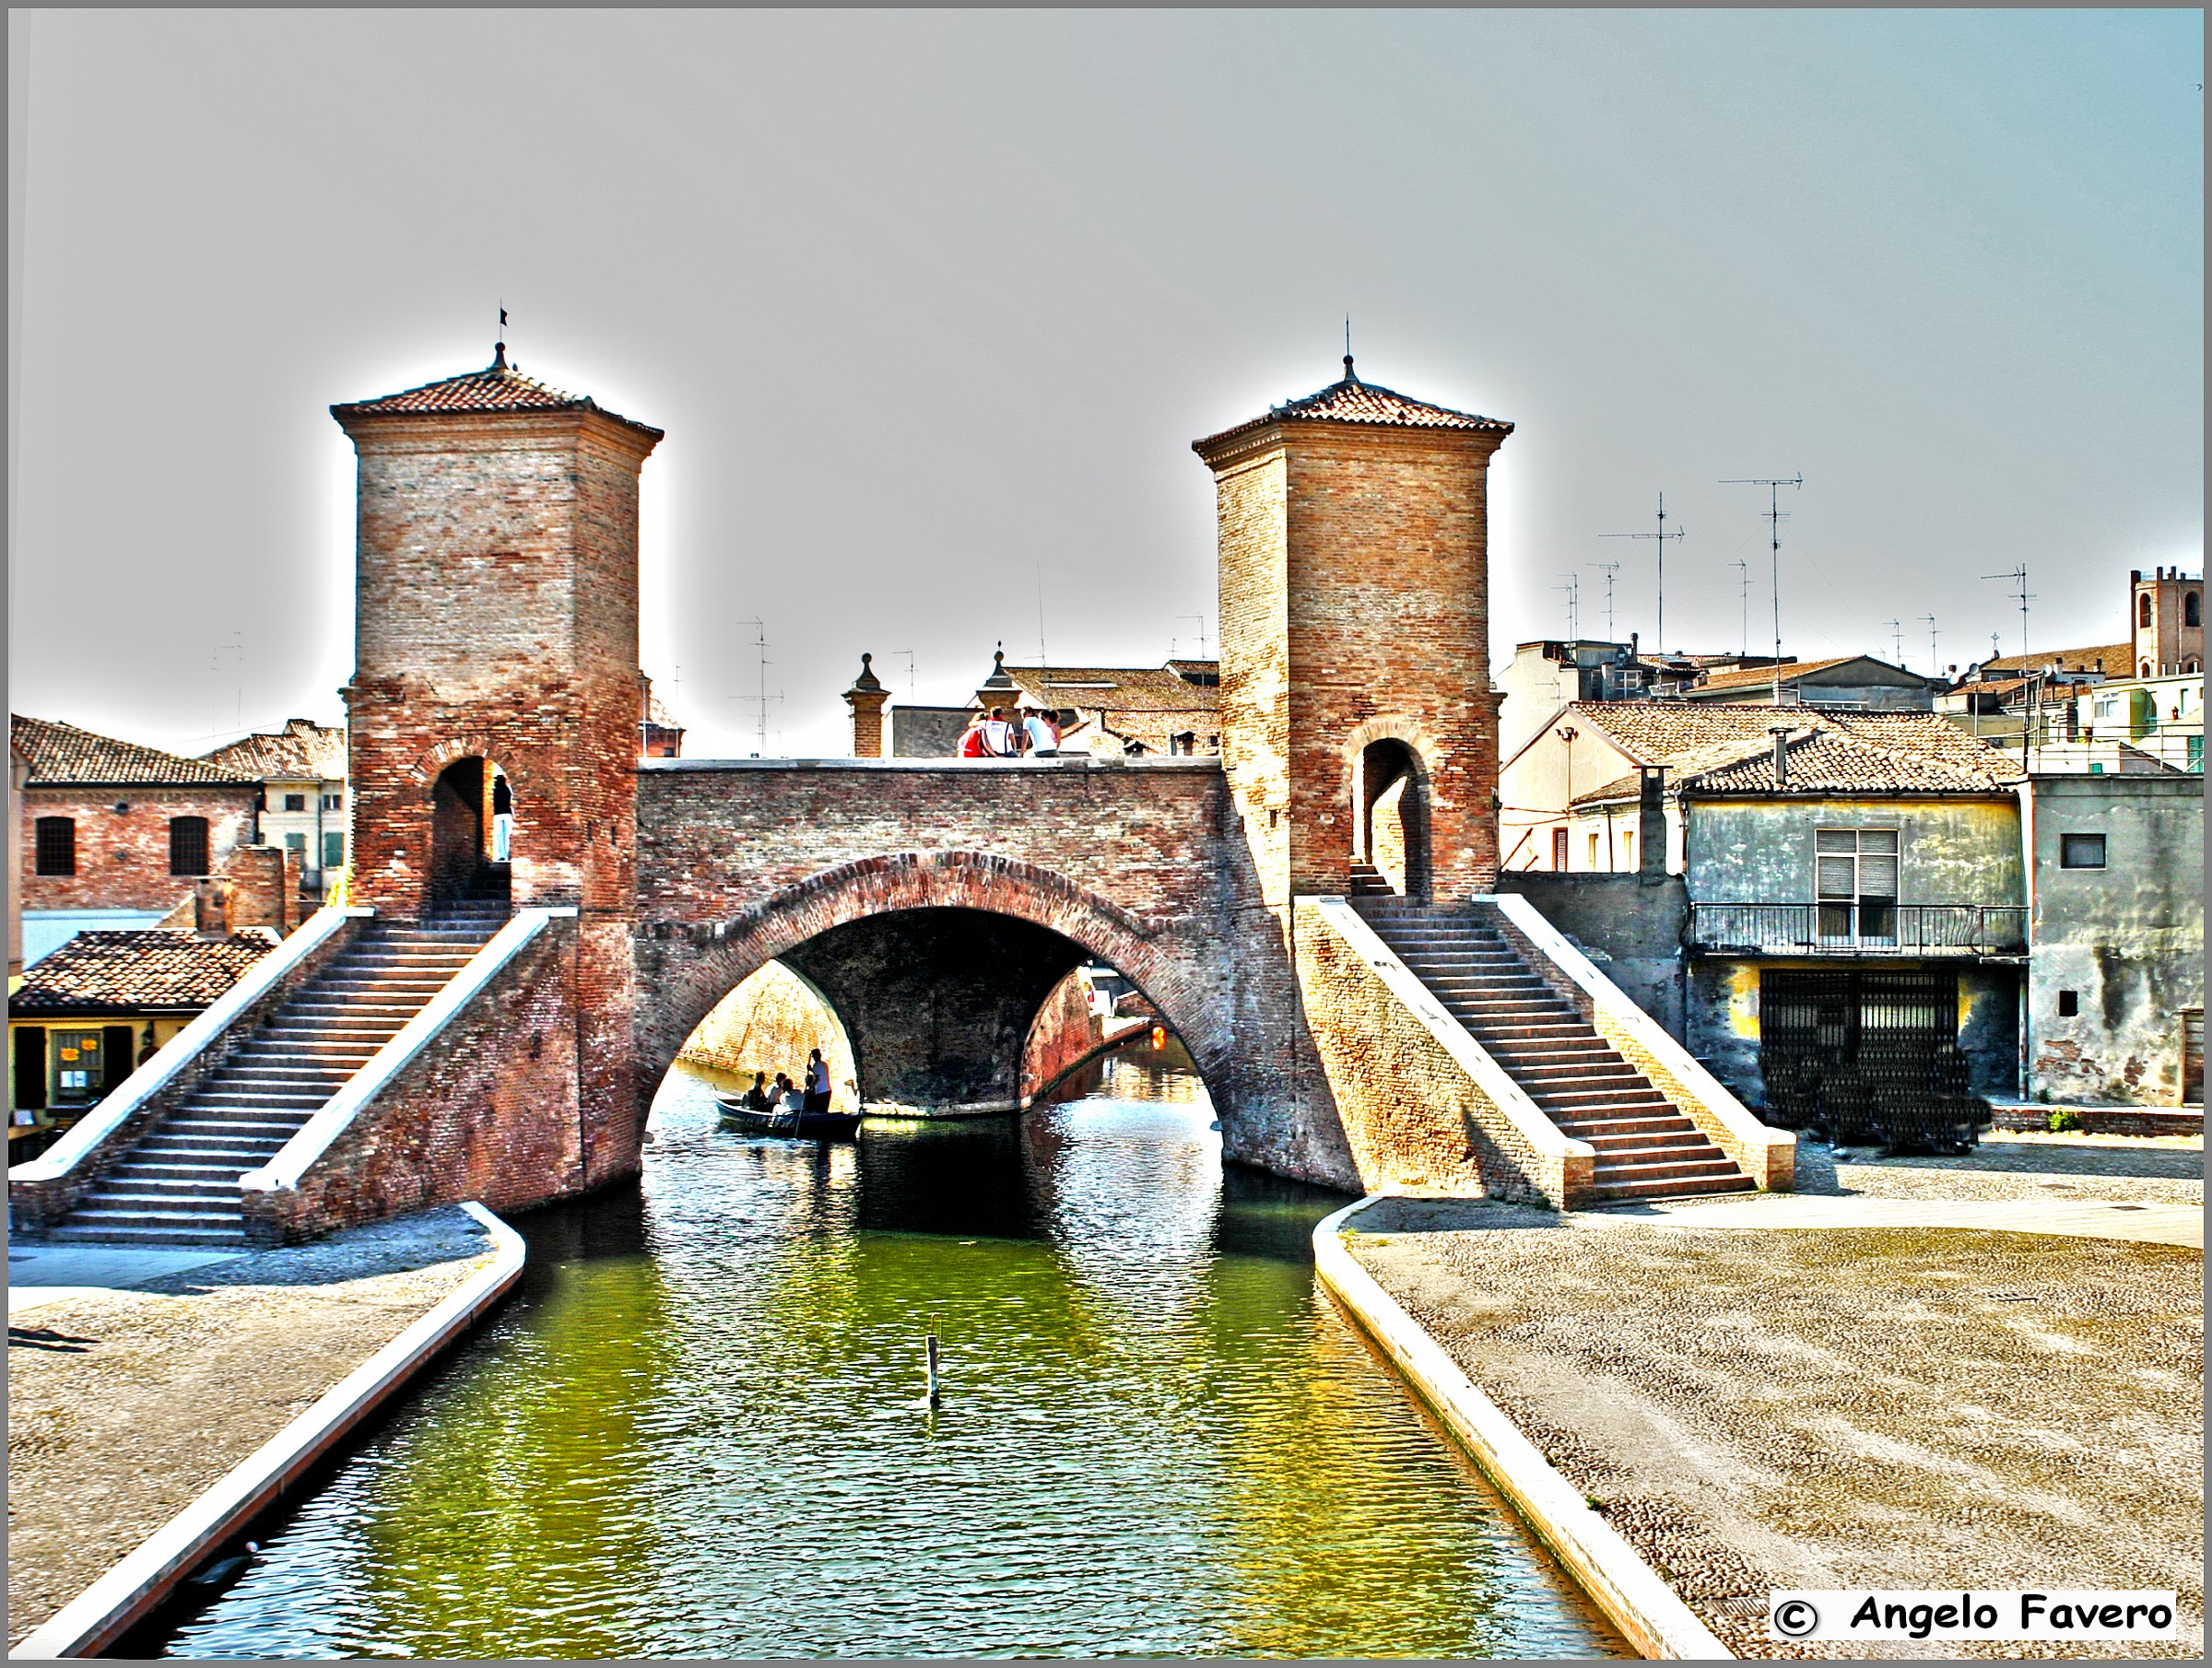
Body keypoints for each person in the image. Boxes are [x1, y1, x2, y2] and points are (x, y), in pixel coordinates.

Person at [805, 1049, 831, 1116]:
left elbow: (817, 1078)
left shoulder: (817, 1065)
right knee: (823, 1111)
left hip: (821, 1091)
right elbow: (819, 1073)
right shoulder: (824, 1064)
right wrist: (811, 1069)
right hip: (826, 1090)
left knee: (820, 1111)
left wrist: (810, 1088)